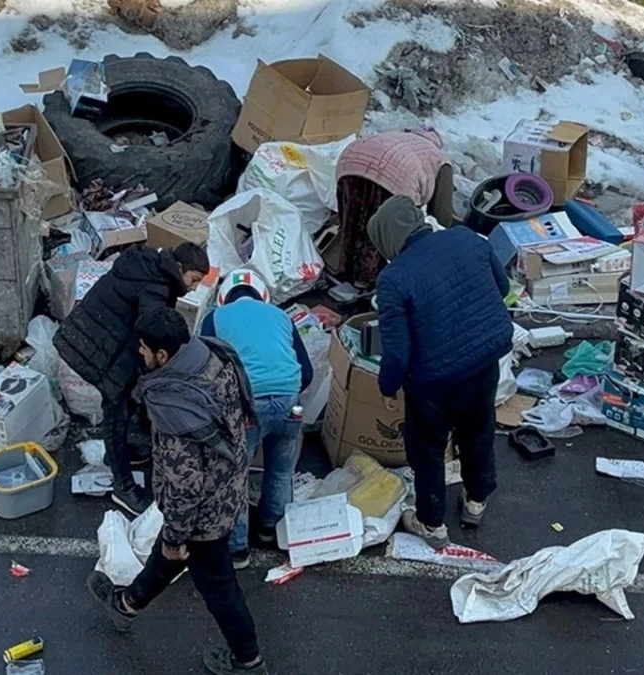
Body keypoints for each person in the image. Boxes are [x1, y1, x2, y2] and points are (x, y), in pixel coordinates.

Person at [87, 307, 268, 675]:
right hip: (229, 485)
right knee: (167, 557)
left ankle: (248, 660)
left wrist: (176, 534)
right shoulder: (215, 356)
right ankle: (126, 605)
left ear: (162, 355)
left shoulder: (173, 406)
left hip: (204, 514)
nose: (139, 353)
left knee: (218, 590)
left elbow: (185, 485)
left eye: (143, 348)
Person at [370, 195, 512, 550]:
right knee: (478, 430)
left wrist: (388, 387)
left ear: (388, 238)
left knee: (428, 450)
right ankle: (476, 500)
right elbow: (503, 287)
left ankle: (432, 523)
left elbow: (398, 351)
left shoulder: (393, 279)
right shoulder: (465, 238)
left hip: (434, 381)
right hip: (483, 361)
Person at [55, 243, 209, 515]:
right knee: (116, 412)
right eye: (194, 280)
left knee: (126, 404)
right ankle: (123, 487)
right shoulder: (156, 289)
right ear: (180, 269)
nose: (194, 288)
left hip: (93, 334)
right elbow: (154, 332)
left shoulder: (148, 262)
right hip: (104, 350)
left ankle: (124, 451)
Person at [199, 268, 313, 569]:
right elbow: (308, 372)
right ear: (262, 293)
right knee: (281, 470)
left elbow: (205, 371)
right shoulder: (280, 316)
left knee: (235, 474)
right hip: (290, 403)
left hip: (248, 406)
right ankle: (268, 529)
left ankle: (238, 550)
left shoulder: (215, 319)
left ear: (223, 297)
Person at [335, 129, 453, 287]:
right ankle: (367, 281)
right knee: (382, 233)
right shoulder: (440, 159)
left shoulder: (400, 136)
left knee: (351, 222)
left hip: (350, 159)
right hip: (399, 174)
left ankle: (344, 269)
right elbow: (441, 215)